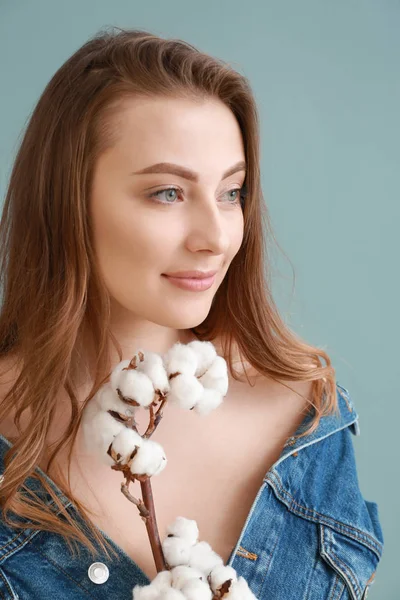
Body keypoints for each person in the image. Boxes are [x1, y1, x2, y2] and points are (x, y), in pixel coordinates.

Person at [0, 26, 383, 599]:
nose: (216, 237)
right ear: (68, 201)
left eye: (232, 193)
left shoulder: (307, 420)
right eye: (167, 193)